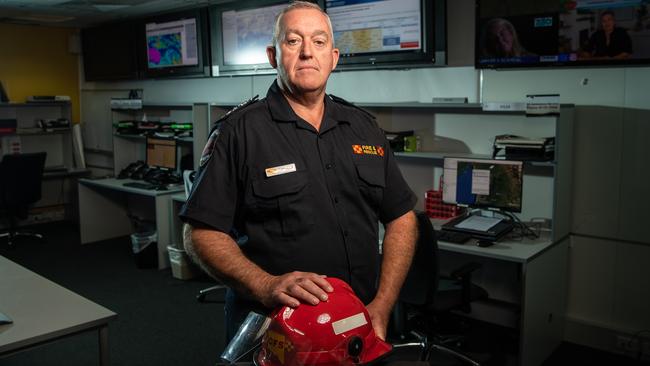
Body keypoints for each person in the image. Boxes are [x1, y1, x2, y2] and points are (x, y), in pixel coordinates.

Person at [179, 1, 417, 342]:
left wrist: (383, 303)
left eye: (319, 42)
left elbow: (402, 217)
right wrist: (265, 284)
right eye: (293, 41)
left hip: (357, 324)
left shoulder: (365, 128)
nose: (307, 52)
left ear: (333, 58)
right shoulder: (239, 132)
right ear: (274, 56)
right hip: (275, 330)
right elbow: (200, 233)